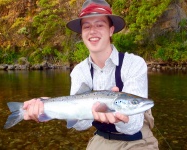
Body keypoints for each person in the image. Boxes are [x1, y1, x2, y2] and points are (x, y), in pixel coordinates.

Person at [23, 0, 159, 149]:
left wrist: (119, 119)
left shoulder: (134, 64)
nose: (92, 31)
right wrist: (47, 106)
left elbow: (134, 125)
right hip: (101, 139)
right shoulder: (79, 72)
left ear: (111, 30)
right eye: (86, 26)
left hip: (137, 139)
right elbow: (81, 124)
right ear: (82, 33)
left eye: (99, 25)